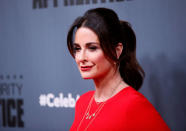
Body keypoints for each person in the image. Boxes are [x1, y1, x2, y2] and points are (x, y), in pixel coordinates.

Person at [67, 8, 170, 131]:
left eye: (92, 48)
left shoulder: (133, 104)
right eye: (77, 49)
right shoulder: (83, 102)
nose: (81, 58)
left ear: (117, 51)